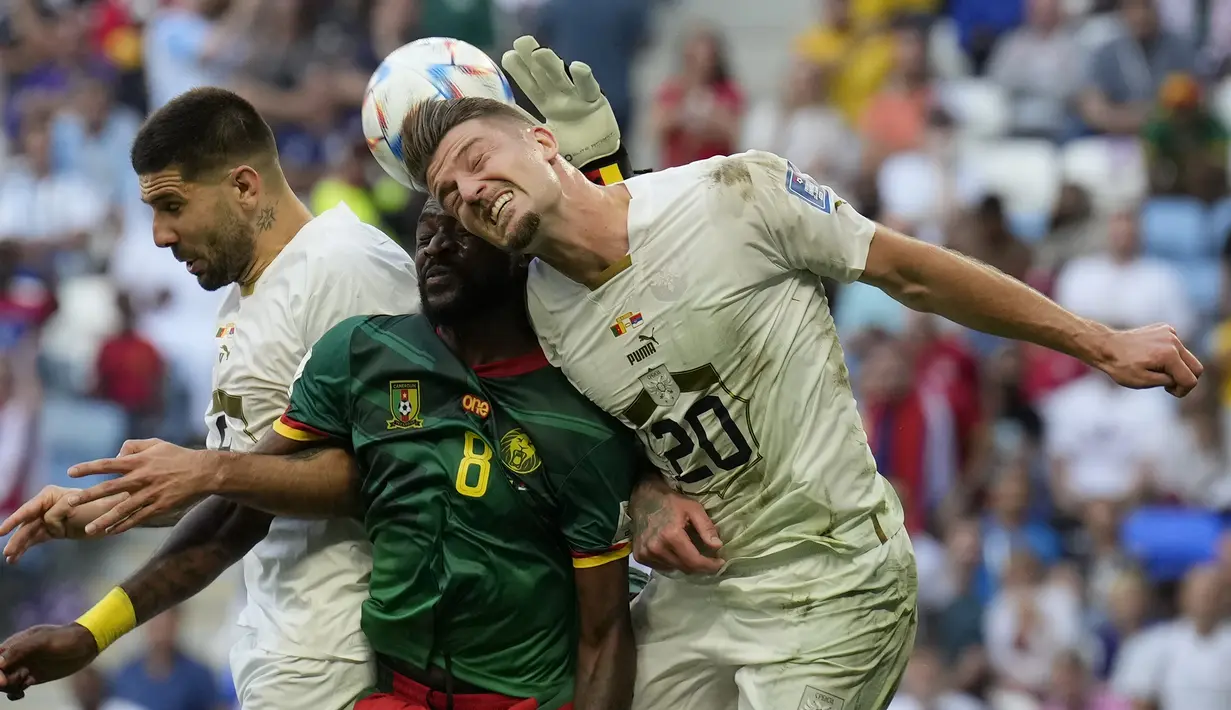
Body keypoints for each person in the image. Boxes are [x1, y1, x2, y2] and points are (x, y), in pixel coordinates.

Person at [392, 77, 1202, 709]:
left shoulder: (731, 194)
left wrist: (1099, 340)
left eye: (474, 160)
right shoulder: (539, 312)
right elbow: (598, 435)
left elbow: (910, 274)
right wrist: (642, 494)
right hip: (705, 594)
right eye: (451, 195)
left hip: (834, 581)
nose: (468, 191)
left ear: (542, 140)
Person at [0, 198, 640, 710]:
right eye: (425, 228)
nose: (435, 246)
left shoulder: (577, 417)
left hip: (519, 698)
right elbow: (241, 510)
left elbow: (604, 632)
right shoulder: (363, 353)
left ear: (515, 250)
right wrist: (93, 632)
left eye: (463, 230)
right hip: (393, 695)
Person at [0, 86, 421, 710]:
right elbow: (238, 503)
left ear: (245, 187)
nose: (159, 236)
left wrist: (207, 470)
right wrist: (102, 537)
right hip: (282, 648)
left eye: (172, 205)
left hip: (351, 652)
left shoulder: (345, 265)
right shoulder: (240, 304)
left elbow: (398, 473)